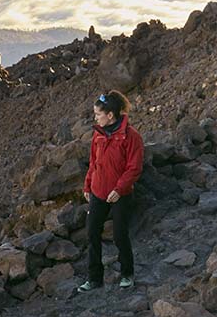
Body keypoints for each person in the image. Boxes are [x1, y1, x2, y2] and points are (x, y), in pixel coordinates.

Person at [78, 91, 144, 292]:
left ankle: (127, 274)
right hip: (98, 191)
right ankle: (94, 278)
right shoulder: (97, 134)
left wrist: (119, 189)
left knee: (119, 235)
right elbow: (93, 162)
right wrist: (88, 185)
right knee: (91, 234)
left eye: (98, 114)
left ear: (110, 115)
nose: (95, 117)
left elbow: (134, 168)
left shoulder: (131, 136)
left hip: (120, 195)